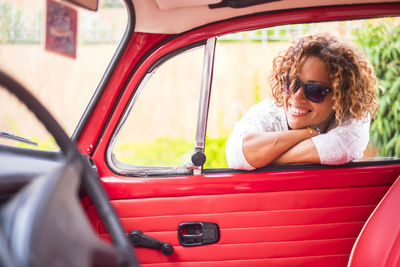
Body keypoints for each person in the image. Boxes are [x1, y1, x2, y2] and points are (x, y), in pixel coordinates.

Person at [226, 33, 377, 170]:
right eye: (290, 83)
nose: (296, 96)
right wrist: (309, 133)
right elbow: (237, 154)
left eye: (314, 90)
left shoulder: (353, 117)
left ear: (341, 96)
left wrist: (263, 158)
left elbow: (341, 149)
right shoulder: (272, 109)